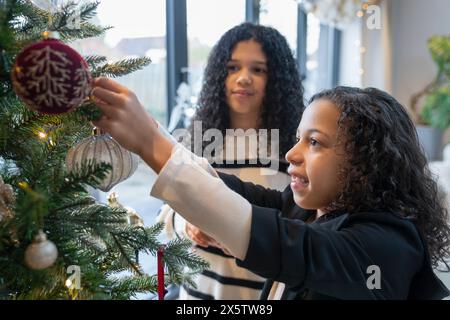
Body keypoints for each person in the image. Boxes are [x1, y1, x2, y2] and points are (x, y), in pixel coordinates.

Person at [91, 80, 450, 299]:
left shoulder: (387, 246)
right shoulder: (309, 209)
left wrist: (147, 141)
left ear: (367, 162)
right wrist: (156, 136)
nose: (292, 154)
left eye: (315, 142)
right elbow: (229, 190)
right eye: (298, 139)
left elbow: (275, 240)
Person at [156, 22, 304, 299]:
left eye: (258, 69)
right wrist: (187, 225)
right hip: (196, 294)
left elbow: (302, 228)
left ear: (278, 79)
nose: (243, 78)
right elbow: (164, 215)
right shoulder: (198, 140)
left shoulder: (294, 149)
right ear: (217, 76)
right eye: (233, 68)